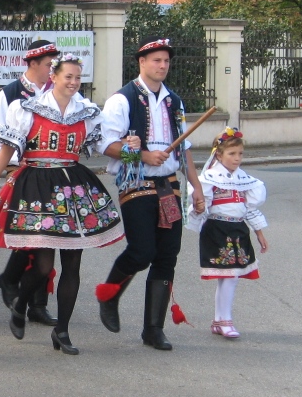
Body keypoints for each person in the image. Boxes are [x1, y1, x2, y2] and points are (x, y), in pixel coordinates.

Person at [0, 54, 123, 355]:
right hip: (38, 186)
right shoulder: (27, 108)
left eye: (77, 77)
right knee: (43, 265)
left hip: (73, 188)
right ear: (53, 77)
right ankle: (20, 304)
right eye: (68, 76)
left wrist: (133, 152)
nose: (73, 82)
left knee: (73, 264)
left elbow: (103, 145)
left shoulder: (86, 111)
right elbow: (7, 149)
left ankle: (63, 331)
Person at [95, 36, 205, 351]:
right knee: (142, 251)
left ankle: (154, 329)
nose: (162, 65)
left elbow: (184, 149)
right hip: (136, 183)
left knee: (167, 255)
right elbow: (105, 145)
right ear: (141, 62)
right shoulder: (122, 100)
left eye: (166, 61)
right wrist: (143, 155)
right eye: (157, 60)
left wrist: (197, 187)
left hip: (168, 185)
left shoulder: (174, 101)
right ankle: (110, 294)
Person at [0, 39, 62, 327]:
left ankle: (38, 304)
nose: (52, 69)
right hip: (25, 173)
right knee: (32, 233)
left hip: (51, 174)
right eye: (49, 64)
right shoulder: (11, 93)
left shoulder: (55, 90)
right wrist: (16, 160)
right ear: (33, 64)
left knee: (49, 235)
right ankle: (12, 281)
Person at [185, 128, 269, 339]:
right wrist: (199, 208)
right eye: (232, 154)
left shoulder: (244, 180)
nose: (237, 158)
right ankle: (225, 321)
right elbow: (200, 206)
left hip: (238, 230)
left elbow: (249, 209)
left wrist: (259, 233)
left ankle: (219, 320)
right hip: (218, 229)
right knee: (229, 276)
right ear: (219, 155)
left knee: (231, 276)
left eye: (240, 154)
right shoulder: (210, 179)